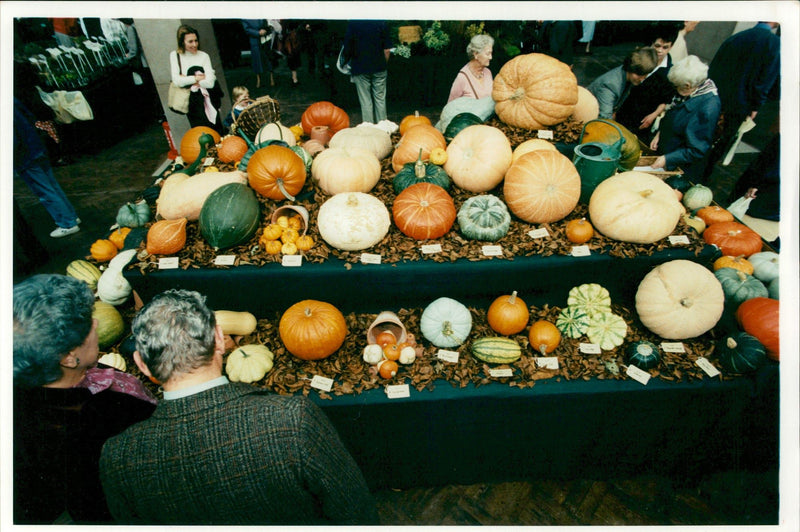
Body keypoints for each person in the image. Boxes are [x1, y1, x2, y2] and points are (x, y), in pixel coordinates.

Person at [99, 289, 379, 525]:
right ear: (220, 340)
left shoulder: (118, 458)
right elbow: (355, 513)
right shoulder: (292, 420)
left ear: (141, 363)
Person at [13, 274, 157, 524]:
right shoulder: (104, 420)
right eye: (87, 326)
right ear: (68, 357)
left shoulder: (37, 386)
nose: (95, 323)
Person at [704, 21, 780, 176]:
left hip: (715, 97)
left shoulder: (738, 37)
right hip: (741, 104)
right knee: (720, 144)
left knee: (704, 135)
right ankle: (701, 176)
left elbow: (715, 68)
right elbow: (765, 80)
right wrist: (756, 107)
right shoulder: (773, 43)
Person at [14, 97, 81, 238]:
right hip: (36, 147)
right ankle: (71, 217)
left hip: (25, 156)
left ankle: (67, 223)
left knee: (44, 191)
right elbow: (32, 118)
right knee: (52, 185)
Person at [649, 55, 721, 183]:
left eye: (678, 86)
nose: (676, 89)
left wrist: (668, 158)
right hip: (667, 150)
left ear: (687, 86)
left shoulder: (708, 108)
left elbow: (697, 149)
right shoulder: (692, 89)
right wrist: (660, 133)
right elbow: (674, 113)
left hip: (680, 167)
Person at [615, 23, 681, 144]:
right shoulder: (640, 57)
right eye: (657, 46)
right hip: (625, 109)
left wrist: (654, 115)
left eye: (665, 47)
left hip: (644, 117)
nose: (660, 51)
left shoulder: (669, 71)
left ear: (671, 47)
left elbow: (665, 99)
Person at [170, 24, 223, 133]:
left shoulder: (203, 56)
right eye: (190, 42)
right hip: (192, 101)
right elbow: (177, 81)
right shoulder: (175, 55)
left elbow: (210, 83)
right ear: (182, 42)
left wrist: (187, 79)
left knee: (217, 129)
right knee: (201, 133)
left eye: (196, 41)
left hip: (209, 97)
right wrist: (197, 78)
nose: (194, 44)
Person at [586, 46, 658, 120]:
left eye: (645, 75)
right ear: (631, 68)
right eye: (639, 74)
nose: (642, 79)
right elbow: (604, 119)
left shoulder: (626, 75)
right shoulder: (610, 85)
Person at [342, 19, 392, 124]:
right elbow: (387, 50)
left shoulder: (353, 23)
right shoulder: (381, 23)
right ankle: (383, 128)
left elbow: (347, 48)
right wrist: (384, 64)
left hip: (360, 67)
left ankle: (369, 128)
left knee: (365, 100)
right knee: (380, 99)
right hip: (379, 66)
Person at [447, 33, 494, 103]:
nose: (490, 57)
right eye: (487, 54)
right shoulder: (462, 78)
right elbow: (450, 107)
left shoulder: (488, 72)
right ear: (476, 54)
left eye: (491, 53)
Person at [242, 19, 274, 88]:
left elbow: (267, 23)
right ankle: (258, 80)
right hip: (255, 41)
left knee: (268, 59)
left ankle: (271, 78)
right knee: (257, 61)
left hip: (265, 39)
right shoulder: (244, 17)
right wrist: (257, 33)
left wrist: (266, 30)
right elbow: (247, 29)